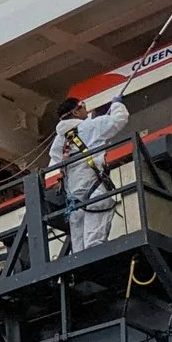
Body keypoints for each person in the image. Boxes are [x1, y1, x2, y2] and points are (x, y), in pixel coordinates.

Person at [51, 96, 131, 252]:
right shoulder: (92, 126)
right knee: (94, 244)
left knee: (79, 251)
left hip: (74, 199)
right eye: (83, 105)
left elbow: (56, 158)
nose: (85, 108)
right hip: (94, 192)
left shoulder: (58, 142)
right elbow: (120, 119)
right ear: (75, 111)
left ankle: (83, 274)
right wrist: (116, 105)